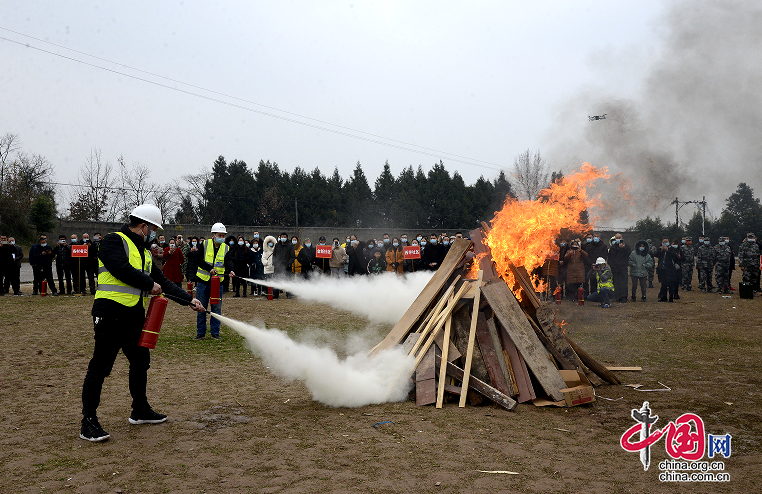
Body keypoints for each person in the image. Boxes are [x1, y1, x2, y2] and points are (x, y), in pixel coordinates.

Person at [79, 204, 205, 442]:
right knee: (101, 366)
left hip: (134, 315)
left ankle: (140, 410)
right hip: (109, 313)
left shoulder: (145, 253)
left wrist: (189, 300)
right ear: (144, 226)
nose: (154, 234)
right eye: (154, 229)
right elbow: (120, 269)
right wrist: (148, 284)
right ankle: (88, 421)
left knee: (140, 361)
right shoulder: (113, 241)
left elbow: (163, 282)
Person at [194, 223, 235, 339]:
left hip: (218, 283)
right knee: (201, 307)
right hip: (203, 281)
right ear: (213, 235)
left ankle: (215, 333)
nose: (221, 238)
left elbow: (228, 261)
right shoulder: (204, 244)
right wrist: (209, 269)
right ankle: (200, 333)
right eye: (220, 235)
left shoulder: (226, 248)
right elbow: (198, 260)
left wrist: (231, 270)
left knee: (216, 308)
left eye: (223, 236)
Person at [607, 233, 631, 303]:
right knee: (616, 284)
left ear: (622, 238)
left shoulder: (626, 246)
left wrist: (623, 248)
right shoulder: (613, 247)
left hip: (623, 269)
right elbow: (610, 258)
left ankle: (624, 297)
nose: (618, 239)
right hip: (615, 269)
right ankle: (617, 297)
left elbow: (628, 254)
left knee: (623, 284)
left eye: (619, 237)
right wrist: (613, 266)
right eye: (616, 238)